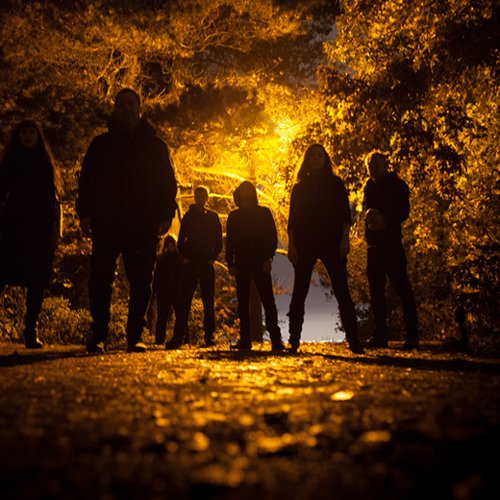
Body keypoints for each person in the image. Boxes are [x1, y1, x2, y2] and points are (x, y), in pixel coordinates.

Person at [76, 88, 177, 353]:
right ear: (115, 108)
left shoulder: (156, 147)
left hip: (142, 222)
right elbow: (86, 181)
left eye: (131, 104)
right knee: (100, 278)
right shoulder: (100, 145)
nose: (126, 108)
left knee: (142, 279)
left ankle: (135, 335)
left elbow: (168, 183)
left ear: (139, 108)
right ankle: (99, 333)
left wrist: (166, 214)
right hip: (107, 221)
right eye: (121, 104)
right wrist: (84, 213)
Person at [287, 144, 364, 354]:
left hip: (332, 242)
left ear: (325, 159)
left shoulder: (336, 184)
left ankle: (354, 340)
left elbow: (345, 216)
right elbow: (293, 219)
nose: (316, 159)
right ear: (307, 160)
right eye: (312, 156)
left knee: (342, 290)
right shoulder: (299, 187)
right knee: (299, 291)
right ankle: (294, 340)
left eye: (320, 156)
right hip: (305, 243)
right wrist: (292, 245)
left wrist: (345, 240)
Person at [0, 120, 63, 348]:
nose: (27, 136)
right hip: (13, 227)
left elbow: (54, 200)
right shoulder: (9, 163)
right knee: (3, 274)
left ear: (38, 137)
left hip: (40, 228)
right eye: (24, 132)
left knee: (37, 281)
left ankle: (31, 330)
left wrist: (56, 229)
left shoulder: (45, 164)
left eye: (32, 132)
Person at [363, 151, 419, 349]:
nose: (373, 168)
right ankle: (380, 335)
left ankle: (412, 335)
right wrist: (369, 234)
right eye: (370, 165)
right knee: (376, 291)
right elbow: (367, 214)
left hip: (392, 243)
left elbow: (404, 212)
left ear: (385, 165)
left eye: (376, 164)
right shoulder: (368, 187)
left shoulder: (398, 185)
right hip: (374, 245)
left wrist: (385, 220)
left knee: (402, 288)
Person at [226, 180, 285, 351]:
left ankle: (275, 339)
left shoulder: (263, 213)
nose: (246, 193)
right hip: (242, 263)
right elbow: (230, 242)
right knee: (243, 303)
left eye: (248, 190)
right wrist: (231, 262)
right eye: (243, 190)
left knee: (268, 301)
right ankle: (245, 339)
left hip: (260, 262)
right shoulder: (234, 216)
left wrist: (268, 258)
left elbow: (272, 238)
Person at [166, 186, 222, 349]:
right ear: (195, 198)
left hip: (205, 263)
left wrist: (212, 257)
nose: (200, 199)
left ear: (207, 198)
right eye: (198, 196)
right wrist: (184, 257)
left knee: (208, 301)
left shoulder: (212, 217)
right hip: (191, 264)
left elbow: (218, 240)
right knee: (185, 301)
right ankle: (179, 336)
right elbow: (181, 239)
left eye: (203, 196)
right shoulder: (189, 217)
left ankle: (209, 336)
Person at [151, 234, 181, 344]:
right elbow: (157, 274)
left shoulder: (178, 258)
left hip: (174, 291)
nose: (170, 247)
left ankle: (182, 338)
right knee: (162, 317)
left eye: (171, 244)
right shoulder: (163, 258)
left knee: (179, 315)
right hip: (164, 291)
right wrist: (155, 289)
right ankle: (159, 340)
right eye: (168, 245)